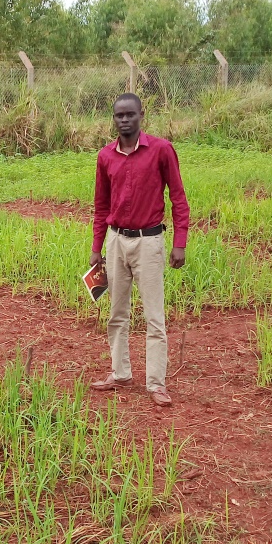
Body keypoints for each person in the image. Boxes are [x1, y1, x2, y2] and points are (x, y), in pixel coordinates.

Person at [89, 92, 189, 407]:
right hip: (116, 241)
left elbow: (178, 198)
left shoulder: (161, 150)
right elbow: (101, 205)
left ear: (141, 115)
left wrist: (179, 243)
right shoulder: (106, 156)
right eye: (119, 115)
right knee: (117, 314)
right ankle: (120, 374)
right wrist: (96, 248)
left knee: (154, 316)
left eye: (130, 114)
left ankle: (156, 383)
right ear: (113, 118)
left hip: (149, 242)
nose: (125, 120)